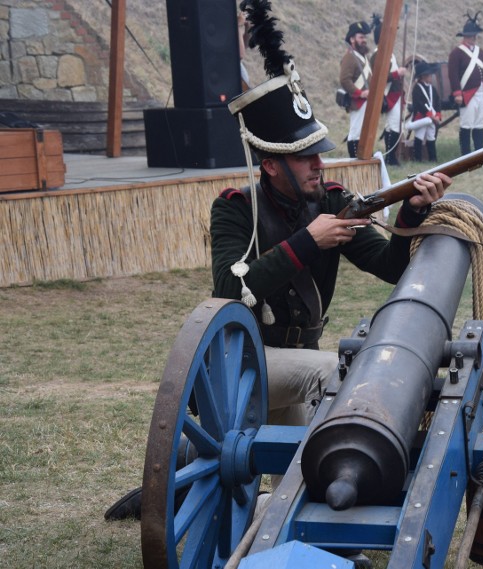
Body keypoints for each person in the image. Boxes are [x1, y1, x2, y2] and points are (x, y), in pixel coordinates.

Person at [104, 0, 451, 526]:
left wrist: (411, 210)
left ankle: (198, 481)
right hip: (242, 365)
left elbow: (389, 267)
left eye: (318, 152)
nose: (319, 163)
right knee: (333, 374)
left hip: (292, 363)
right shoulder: (235, 209)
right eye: (306, 156)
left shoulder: (332, 201)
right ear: (271, 164)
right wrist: (309, 242)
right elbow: (230, 287)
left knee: (295, 460)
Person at [448, 11, 483, 155]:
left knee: (479, 123)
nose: (473, 38)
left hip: (481, 93)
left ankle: (479, 152)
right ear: (465, 36)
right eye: (471, 35)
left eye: (475, 35)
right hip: (467, 94)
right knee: (466, 124)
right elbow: (453, 74)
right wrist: (457, 93)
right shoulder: (457, 53)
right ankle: (466, 153)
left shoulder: (480, 52)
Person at [370, 14, 407, 165]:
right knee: (392, 126)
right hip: (387, 95)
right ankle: (390, 158)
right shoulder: (378, 53)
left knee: (394, 126)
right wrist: (396, 74)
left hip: (395, 94)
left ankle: (392, 157)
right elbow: (378, 75)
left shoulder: (388, 53)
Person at [340, 20, 373, 157]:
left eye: (364, 37)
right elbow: (344, 80)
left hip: (366, 101)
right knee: (355, 132)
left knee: (363, 131)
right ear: (352, 39)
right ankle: (354, 159)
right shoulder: (349, 57)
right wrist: (360, 93)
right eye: (361, 37)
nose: (364, 40)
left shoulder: (363, 57)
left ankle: (362, 156)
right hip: (357, 101)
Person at [407, 61, 442, 161]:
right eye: (429, 75)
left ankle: (433, 158)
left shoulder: (432, 89)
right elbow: (419, 104)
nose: (431, 77)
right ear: (423, 76)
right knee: (419, 136)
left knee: (431, 136)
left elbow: (437, 103)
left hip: (432, 117)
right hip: (421, 117)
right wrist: (430, 115)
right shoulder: (417, 89)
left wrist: (437, 115)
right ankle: (417, 158)